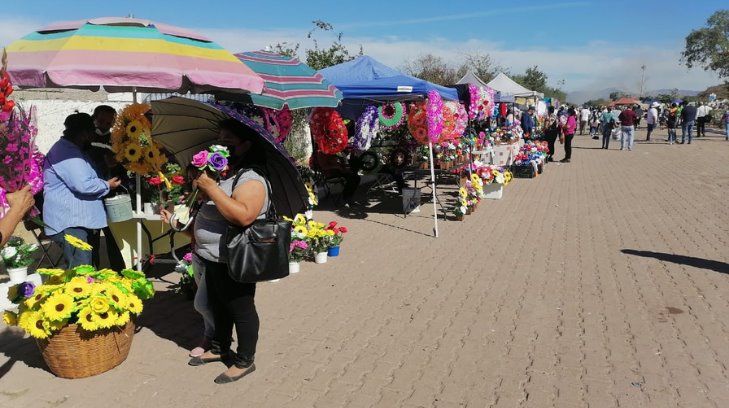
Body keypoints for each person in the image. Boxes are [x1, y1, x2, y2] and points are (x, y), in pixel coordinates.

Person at [187, 118, 268, 384]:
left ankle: (245, 360)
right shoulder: (228, 173)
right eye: (218, 140)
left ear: (246, 145)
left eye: (228, 142)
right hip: (213, 256)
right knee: (219, 305)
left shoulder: (252, 178)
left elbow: (243, 216)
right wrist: (201, 189)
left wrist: (210, 188)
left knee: (240, 308)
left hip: (236, 258)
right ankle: (220, 347)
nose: (219, 146)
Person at [43, 113, 122, 268]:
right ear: (85, 133)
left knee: (87, 268)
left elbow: (87, 175)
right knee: (81, 272)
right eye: (93, 132)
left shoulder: (75, 150)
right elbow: (84, 185)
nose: (94, 136)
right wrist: (108, 185)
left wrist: (106, 166)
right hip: (70, 222)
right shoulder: (67, 153)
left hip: (79, 221)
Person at [88, 105, 126, 271]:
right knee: (92, 237)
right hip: (92, 194)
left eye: (108, 121)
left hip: (113, 195)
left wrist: (117, 165)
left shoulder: (116, 140)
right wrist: (104, 163)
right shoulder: (87, 139)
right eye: (101, 120)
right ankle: (92, 272)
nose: (104, 124)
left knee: (115, 236)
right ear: (94, 118)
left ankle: (118, 272)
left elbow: (125, 166)